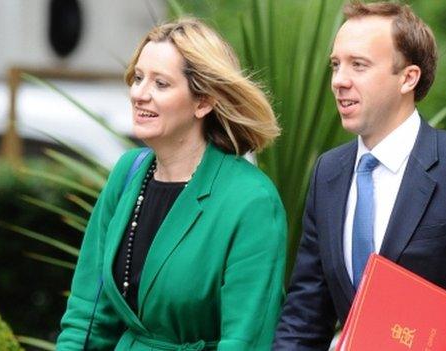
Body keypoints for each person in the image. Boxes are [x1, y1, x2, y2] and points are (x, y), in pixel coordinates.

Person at [273, 2, 446, 350]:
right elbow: (306, 314)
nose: (339, 80)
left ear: (408, 77)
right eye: (336, 65)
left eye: (359, 65)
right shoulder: (328, 172)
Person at [56, 18, 287, 351]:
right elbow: (86, 318)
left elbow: (245, 340)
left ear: (203, 102)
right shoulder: (126, 174)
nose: (139, 94)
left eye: (160, 84)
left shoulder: (252, 201)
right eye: (138, 78)